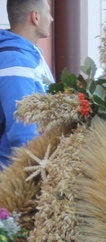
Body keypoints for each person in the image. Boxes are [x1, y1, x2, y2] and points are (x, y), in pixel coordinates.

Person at [0, 0, 54, 168]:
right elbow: (23, 131)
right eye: (48, 12)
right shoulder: (16, 61)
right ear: (35, 17)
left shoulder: (28, 54)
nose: (51, 18)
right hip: (15, 177)